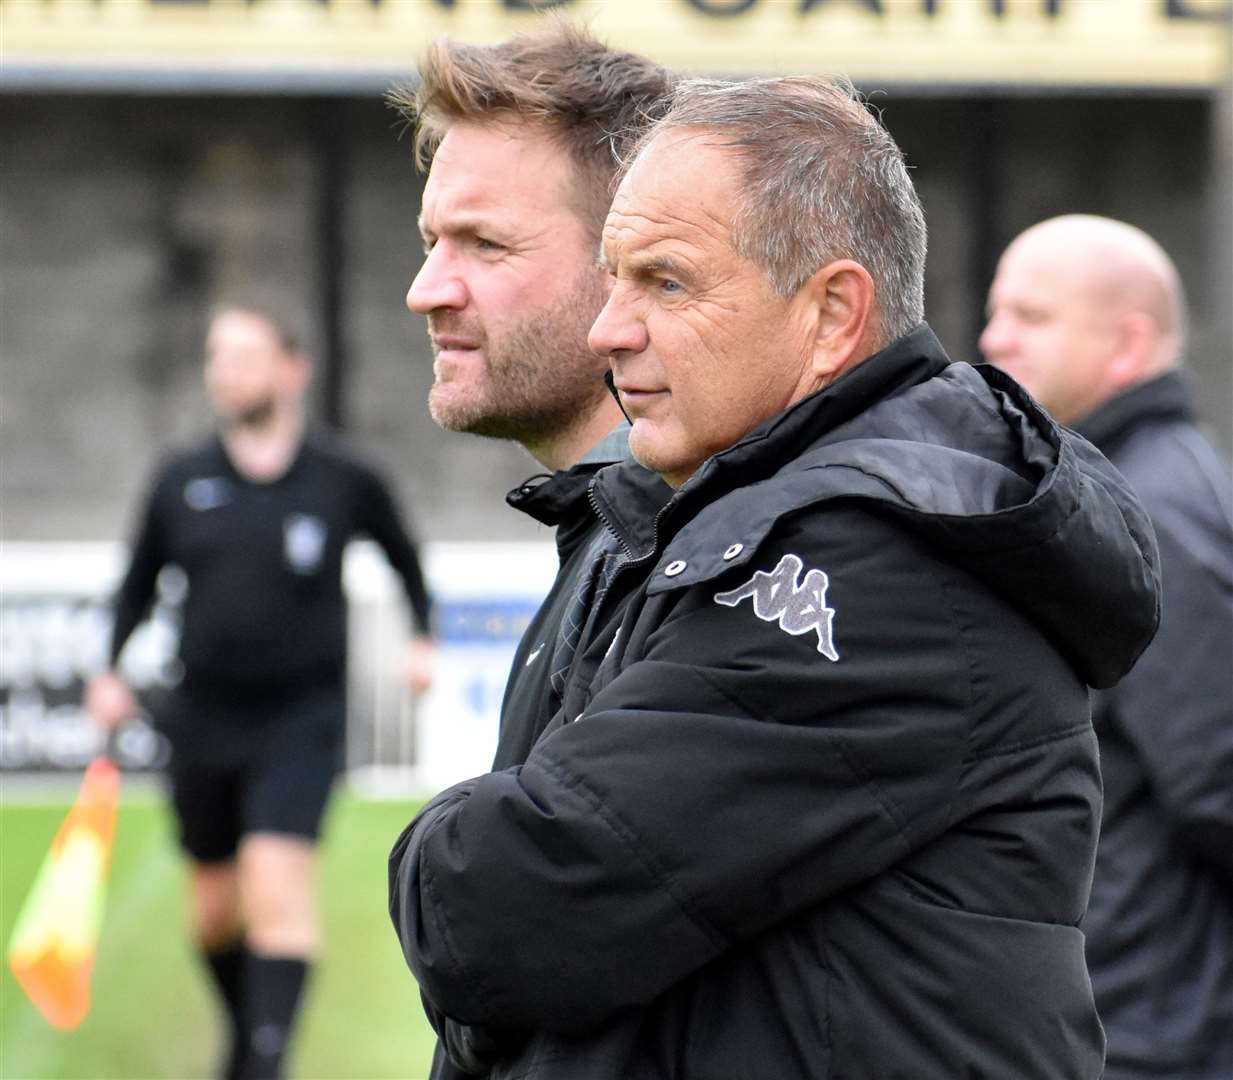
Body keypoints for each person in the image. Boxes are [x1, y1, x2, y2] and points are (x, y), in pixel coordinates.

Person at [389, 78, 1161, 1078]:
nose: (608, 330)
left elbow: (500, 914)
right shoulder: (721, 511)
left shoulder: (883, 557)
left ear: (833, 313)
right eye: (613, 277)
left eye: (664, 282)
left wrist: (443, 839)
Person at [86, 303, 435, 1080]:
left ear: (291, 368)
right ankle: (249, 1037)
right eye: (218, 357)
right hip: (201, 717)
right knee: (214, 914)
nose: (227, 373)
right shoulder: (181, 480)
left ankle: (261, 1065)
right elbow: (135, 587)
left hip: (301, 717)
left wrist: (420, 635)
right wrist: (109, 670)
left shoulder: (344, 478)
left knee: (278, 892)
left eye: (245, 356)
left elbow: (405, 557)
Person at [981, 215, 1233, 1080]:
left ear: (1127, 344)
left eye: (1031, 316)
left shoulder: (1147, 513)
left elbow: (1215, 781)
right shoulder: (1114, 489)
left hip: (1146, 1026)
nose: (992, 338)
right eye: (995, 311)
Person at [389, 25, 675, 775]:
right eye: (431, 242)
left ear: (627, 265)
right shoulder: (617, 526)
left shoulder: (694, 555)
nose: (426, 292)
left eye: (484, 244)